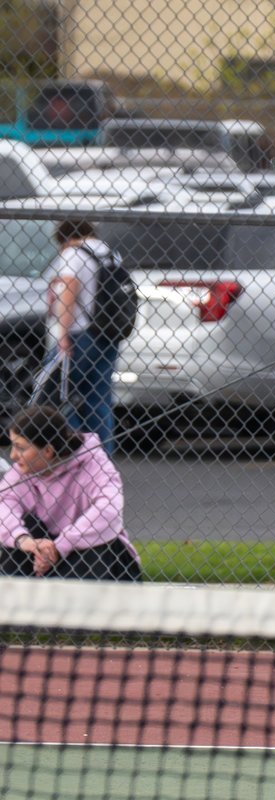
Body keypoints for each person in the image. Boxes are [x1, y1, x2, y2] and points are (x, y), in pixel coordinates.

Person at [0, 405, 140, 581]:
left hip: (92, 556)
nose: (13, 455)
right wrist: (24, 540)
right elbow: (4, 504)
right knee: (25, 527)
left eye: (20, 447)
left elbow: (109, 510)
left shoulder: (94, 463)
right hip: (44, 551)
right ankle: (10, 595)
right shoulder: (23, 470)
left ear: (48, 451)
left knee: (101, 539)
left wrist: (60, 547)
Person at [47, 219, 120, 454]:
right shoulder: (109, 252)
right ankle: (101, 458)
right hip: (108, 332)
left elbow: (69, 290)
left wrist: (62, 334)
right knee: (99, 399)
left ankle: (72, 453)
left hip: (80, 333)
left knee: (60, 395)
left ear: (66, 238)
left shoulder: (74, 253)